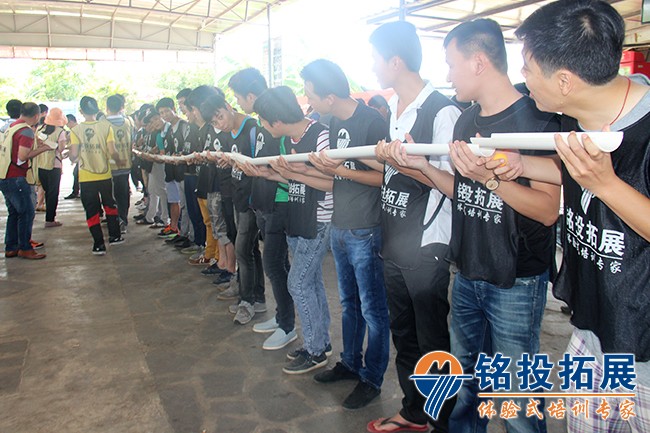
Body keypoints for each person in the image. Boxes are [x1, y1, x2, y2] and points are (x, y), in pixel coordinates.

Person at [487, 1, 650, 431]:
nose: (524, 79)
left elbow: (598, 181)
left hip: (644, 351)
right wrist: (519, 165)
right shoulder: (577, 118)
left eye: (528, 68)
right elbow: (573, 172)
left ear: (564, 81)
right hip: (592, 329)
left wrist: (607, 185)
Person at [393, 19, 560, 433]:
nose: (448, 75)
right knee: (465, 385)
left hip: (516, 279)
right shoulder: (466, 121)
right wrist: (422, 168)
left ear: (479, 62)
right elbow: (463, 191)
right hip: (467, 271)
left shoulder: (539, 121)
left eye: (452, 64)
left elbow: (547, 210)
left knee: (516, 396)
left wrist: (491, 179)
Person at [367, 21, 461, 433]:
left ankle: (442, 421)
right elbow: (392, 172)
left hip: (427, 245)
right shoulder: (392, 108)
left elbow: (452, 183)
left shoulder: (442, 111)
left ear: (395, 61)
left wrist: (403, 162)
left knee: (432, 340)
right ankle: (414, 411)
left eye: (374, 58)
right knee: (403, 332)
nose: (372, 66)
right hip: (394, 239)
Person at [302, 59, 391, 410]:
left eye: (311, 95)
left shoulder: (371, 121)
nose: (309, 101)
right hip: (340, 226)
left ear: (329, 96)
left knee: (373, 309)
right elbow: (337, 174)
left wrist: (341, 169)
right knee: (349, 304)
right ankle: (351, 362)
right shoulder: (333, 121)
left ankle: (372, 377)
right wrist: (326, 169)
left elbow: (387, 176)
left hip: (365, 229)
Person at [254, 86, 334, 374]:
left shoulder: (321, 135)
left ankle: (315, 351)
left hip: (317, 219)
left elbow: (332, 183)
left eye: (264, 121)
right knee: (311, 283)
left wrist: (293, 172)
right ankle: (320, 343)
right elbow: (294, 181)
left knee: (298, 283)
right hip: (296, 217)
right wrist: (268, 174)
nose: (263, 127)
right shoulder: (288, 139)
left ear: (276, 120)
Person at [228, 67, 295, 350]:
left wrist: (263, 171)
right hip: (263, 202)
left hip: (280, 202)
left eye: (238, 98)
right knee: (277, 266)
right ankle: (282, 317)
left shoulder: (279, 122)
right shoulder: (259, 125)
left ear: (251, 96)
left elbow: (287, 168)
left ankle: (288, 325)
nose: (238, 104)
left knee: (275, 266)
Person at [205, 92, 265, 325]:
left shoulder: (252, 128)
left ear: (229, 106)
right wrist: (230, 161)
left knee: (242, 251)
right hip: (238, 197)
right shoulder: (228, 133)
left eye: (220, 117)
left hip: (251, 200)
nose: (219, 124)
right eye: (214, 122)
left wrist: (236, 161)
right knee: (250, 251)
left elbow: (259, 165)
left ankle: (246, 301)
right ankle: (258, 298)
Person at [68, 96, 124, 255]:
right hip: (104, 175)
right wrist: (119, 161)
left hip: (86, 177)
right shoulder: (106, 127)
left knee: (91, 210)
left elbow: (74, 155)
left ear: (81, 111)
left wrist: (72, 156)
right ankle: (115, 236)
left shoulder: (76, 130)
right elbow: (113, 151)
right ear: (97, 109)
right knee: (110, 205)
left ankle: (99, 244)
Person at [0, 102, 50, 259]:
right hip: (16, 177)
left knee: (14, 213)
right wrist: (43, 148)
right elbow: (22, 157)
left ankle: (11, 247)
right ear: (36, 116)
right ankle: (25, 248)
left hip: (5, 175)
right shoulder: (26, 131)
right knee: (26, 212)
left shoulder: (12, 127)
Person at [105, 94, 134, 234]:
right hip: (125, 164)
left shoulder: (102, 124)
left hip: (108, 166)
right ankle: (123, 218)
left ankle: (113, 219)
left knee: (110, 194)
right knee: (123, 193)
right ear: (121, 107)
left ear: (107, 107)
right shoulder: (128, 122)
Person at [36, 107, 68, 227]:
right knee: (53, 193)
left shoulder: (39, 129)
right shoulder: (60, 132)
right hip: (54, 165)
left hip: (40, 164)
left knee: (47, 190)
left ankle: (49, 218)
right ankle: (50, 219)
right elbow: (60, 149)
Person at [64, 114, 80, 200]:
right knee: (76, 173)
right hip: (79, 156)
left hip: (81, 157)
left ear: (70, 121)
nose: (67, 126)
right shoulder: (75, 130)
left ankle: (76, 192)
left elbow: (77, 144)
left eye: (67, 124)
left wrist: (66, 149)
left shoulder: (77, 130)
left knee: (76, 173)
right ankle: (76, 191)